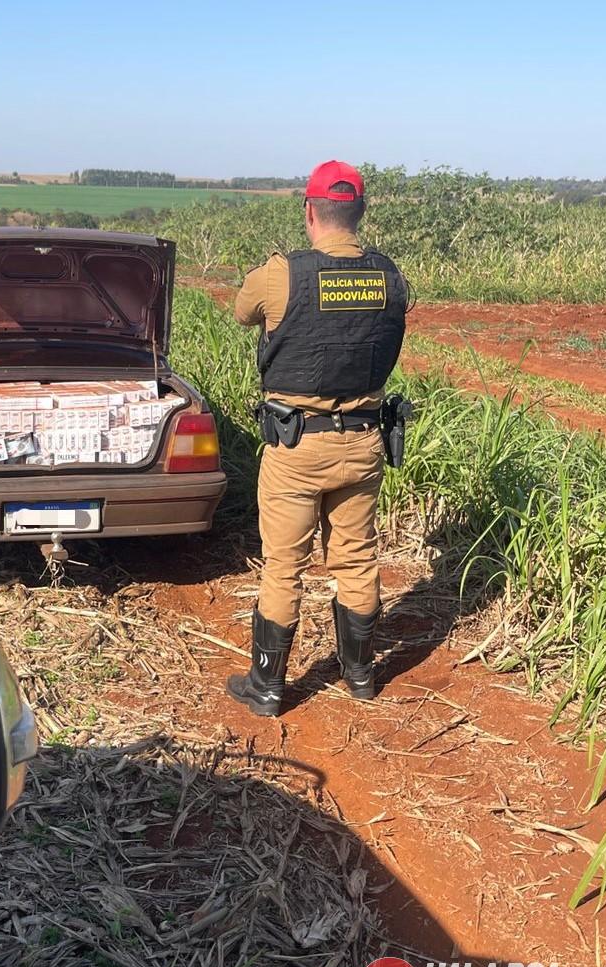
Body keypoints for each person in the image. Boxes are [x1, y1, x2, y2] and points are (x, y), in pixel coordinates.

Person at [226, 160, 408, 716]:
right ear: (361, 212)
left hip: (297, 446)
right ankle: (361, 676)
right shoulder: (391, 276)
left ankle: (267, 688)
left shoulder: (282, 274)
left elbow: (241, 311)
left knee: (285, 565)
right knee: (357, 559)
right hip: (365, 443)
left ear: (309, 211)